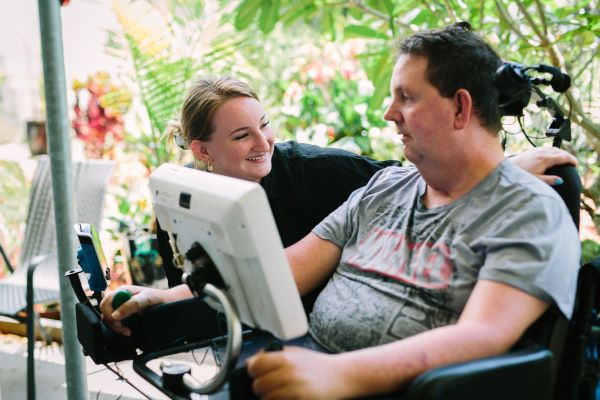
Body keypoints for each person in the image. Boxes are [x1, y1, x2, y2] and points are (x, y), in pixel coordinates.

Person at [242, 22, 580, 399]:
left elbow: (483, 335)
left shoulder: (528, 211)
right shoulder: (384, 187)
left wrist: (338, 374)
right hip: (304, 370)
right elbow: (283, 273)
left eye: (406, 97)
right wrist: (177, 295)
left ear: (460, 108)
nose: (389, 113)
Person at [99, 73, 575, 336]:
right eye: (243, 136)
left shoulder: (319, 170)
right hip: (259, 327)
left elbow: (409, 179)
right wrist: (152, 299)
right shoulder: (185, 206)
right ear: (203, 151)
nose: (263, 141)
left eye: (265, 125)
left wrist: (504, 167)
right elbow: (216, 287)